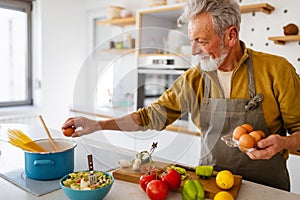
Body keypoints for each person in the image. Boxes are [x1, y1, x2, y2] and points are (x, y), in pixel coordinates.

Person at [62, 0, 300, 191]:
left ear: (231, 35)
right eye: (191, 40)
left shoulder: (277, 70)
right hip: (210, 186)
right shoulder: (194, 79)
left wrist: (285, 142)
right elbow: (150, 116)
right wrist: (98, 124)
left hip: (268, 190)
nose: (193, 50)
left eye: (201, 41)